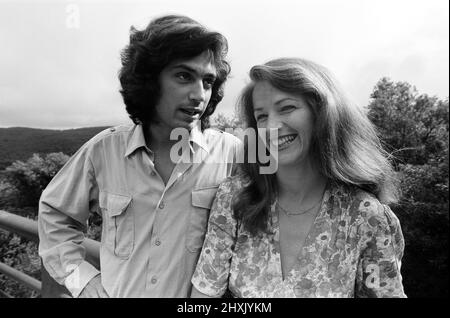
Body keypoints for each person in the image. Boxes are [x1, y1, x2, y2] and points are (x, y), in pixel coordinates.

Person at [38, 15, 241, 298]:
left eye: (208, 81)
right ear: (149, 80)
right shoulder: (104, 150)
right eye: (184, 76)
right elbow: (55, 214)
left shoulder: (232, 153)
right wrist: (83, 280)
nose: (199, 94)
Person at [191, 58, 406, 298]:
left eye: (287, 108)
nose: (271, 126)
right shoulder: (234, 198)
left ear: (324, 113)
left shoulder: (367, 218)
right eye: (261, 116)